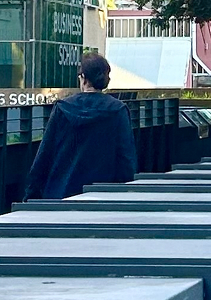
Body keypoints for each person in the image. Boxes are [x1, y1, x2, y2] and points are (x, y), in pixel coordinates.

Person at [24, 51, 137, 199]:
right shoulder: (118, 110)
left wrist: (31, 195)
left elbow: (44, 156)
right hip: (104, 197)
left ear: (83, 78)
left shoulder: (62, 108)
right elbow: (126, 160)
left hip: (61, 194)